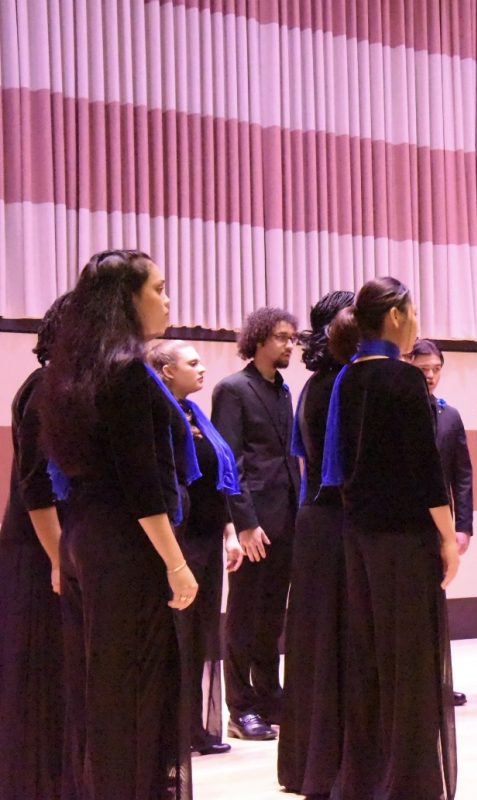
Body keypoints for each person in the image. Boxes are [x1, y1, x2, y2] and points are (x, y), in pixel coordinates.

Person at [42, 249, 198, 798]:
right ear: (126, 300)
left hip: (84, 540)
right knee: (136, 695)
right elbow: (142, 484)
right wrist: (176, 564)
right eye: (158, 288)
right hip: (126, 547)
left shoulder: (71, 371)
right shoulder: (127, 372)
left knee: (104, 693)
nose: (167, 299)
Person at [325, 277, 460, 798]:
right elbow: (427, 473)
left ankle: (368, 778)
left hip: (360, 537)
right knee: (410, 662)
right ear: (398, 316)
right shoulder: (401, 380)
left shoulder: (348, 377)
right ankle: (408, 784)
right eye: (415, 311)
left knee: (373, 658)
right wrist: (448, 538)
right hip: (404, 541)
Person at [148, 340, 246, 757]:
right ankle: (168, 730)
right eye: (192, 363)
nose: (203, 368)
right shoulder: (159, 414)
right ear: (167, 372)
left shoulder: (195, 415)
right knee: (178, 637)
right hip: (179, 538)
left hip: (207, 536)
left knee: (201, 635)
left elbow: (215, 480)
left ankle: (193, 727)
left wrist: (230, 531)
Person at [277, 290, 354, 796]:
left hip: (314, 522)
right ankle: (335, 764)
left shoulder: (312, 385)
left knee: (314, 643)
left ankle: (308, 762)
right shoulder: (343, 385)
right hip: (334, 522)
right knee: (336, 642)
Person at [213, 307, 302, 740]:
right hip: (254, 521)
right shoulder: (233, 389)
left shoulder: (284, 390)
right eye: (283, 337)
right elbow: (229, 462)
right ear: (261, 338)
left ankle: (270, 694)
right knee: (244, 615)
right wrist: (243, 523)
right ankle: (240, 705)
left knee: (271, 615)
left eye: (293, 338)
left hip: (286, 517)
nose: (290, 345)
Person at [0, 293, 69, 798]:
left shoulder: (51, 386)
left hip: (46, 547)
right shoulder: (45, 388)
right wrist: (59, 557)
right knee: (38, 669)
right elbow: (35, 485)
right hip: (37, 549)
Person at [409, 337, 475, 706]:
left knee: (437, 604)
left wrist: (462, 525)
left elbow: (462, 476)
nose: (431, 377)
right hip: (406, 522)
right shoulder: (400, 411)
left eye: (436, 370)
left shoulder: (449, 415)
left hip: (441, 525)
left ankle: (439, 680)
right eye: (424, 370)